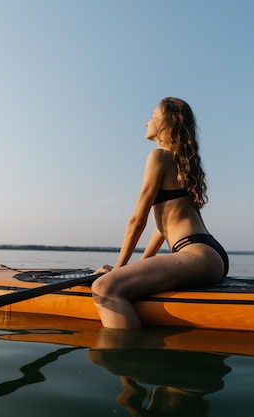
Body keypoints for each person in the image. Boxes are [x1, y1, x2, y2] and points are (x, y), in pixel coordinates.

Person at [92, 97, 228, 329]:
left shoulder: (159, 157)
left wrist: (115, 272)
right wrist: (132, 270)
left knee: (105, 288)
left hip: (196, 254)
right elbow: (161, 228)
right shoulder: (183, 163)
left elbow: (138, 220)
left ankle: (128, 361)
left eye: (153, 116)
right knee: (117, 282)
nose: (147, 122)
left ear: (168, 122)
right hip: (211, 255)